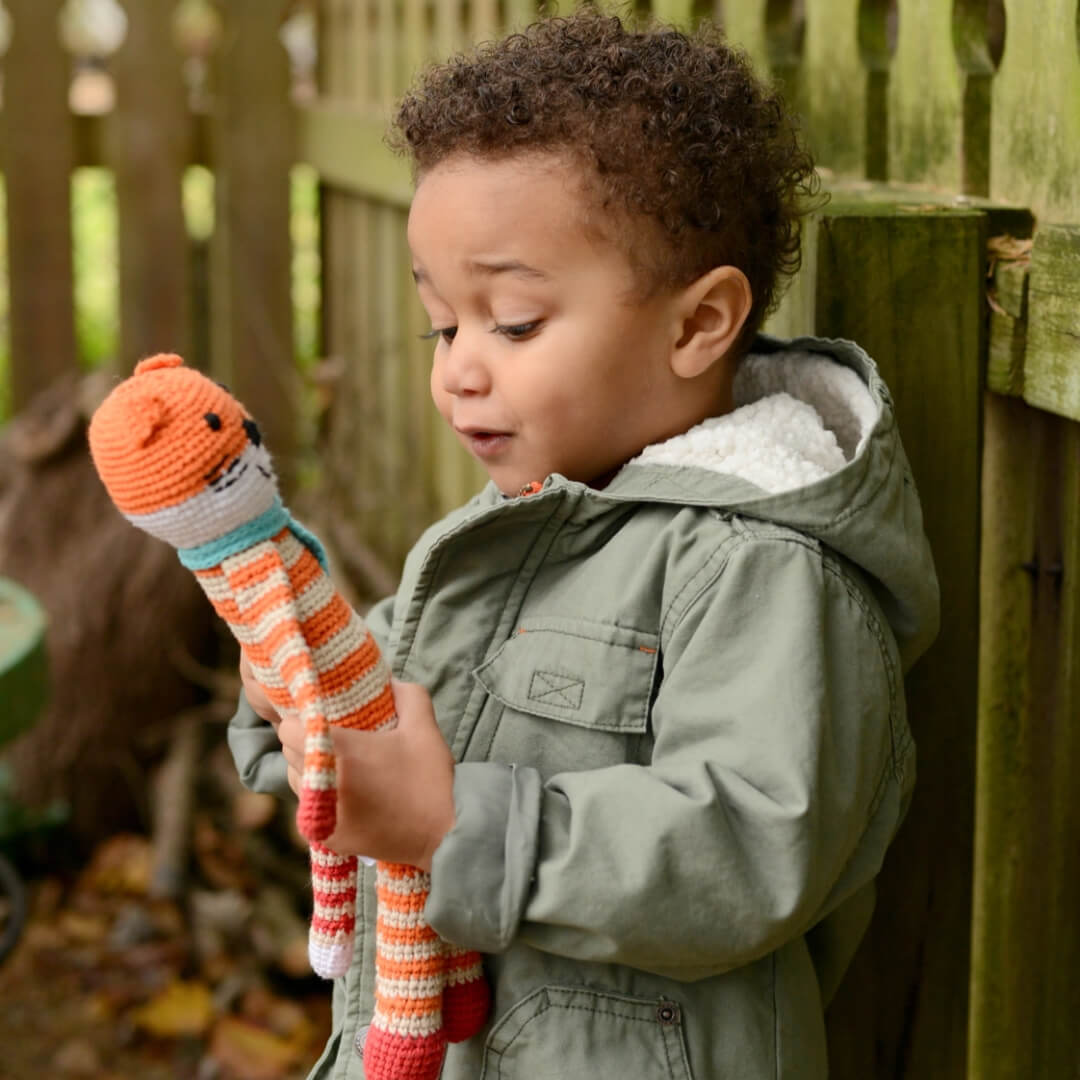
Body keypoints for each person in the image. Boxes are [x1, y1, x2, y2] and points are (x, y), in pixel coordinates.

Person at [229, 10, 939, 1079]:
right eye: (443, 325)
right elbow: (408, 687)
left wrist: (454, 821)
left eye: (511, 323)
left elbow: (750, 845)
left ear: (698, 325)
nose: (458, 369)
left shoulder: (764, 565)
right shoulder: (531, 522)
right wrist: (301, 683)